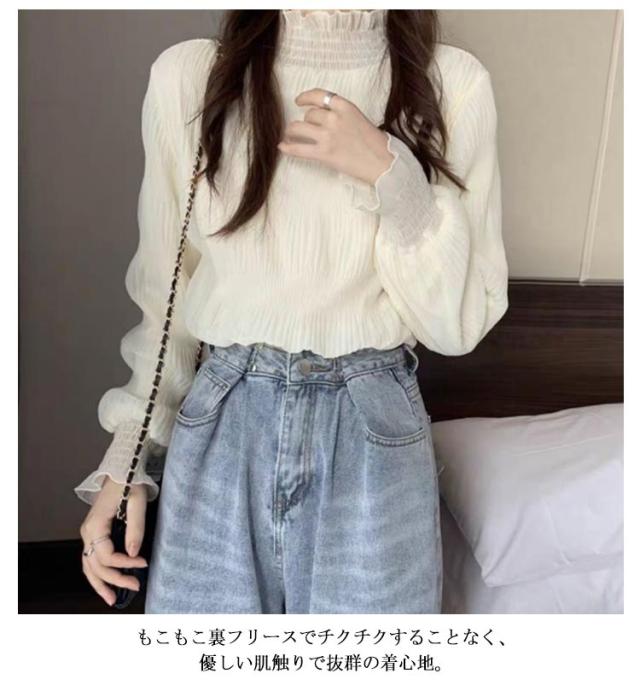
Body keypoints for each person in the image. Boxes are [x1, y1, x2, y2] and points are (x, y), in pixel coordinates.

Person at [75, 8, 509, 614]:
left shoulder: (453, 85)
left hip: (372, 427)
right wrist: (128, 457)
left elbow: (458, 325)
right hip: (225, 420)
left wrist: (393, 176)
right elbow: (164, 296)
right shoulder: (191, 77)